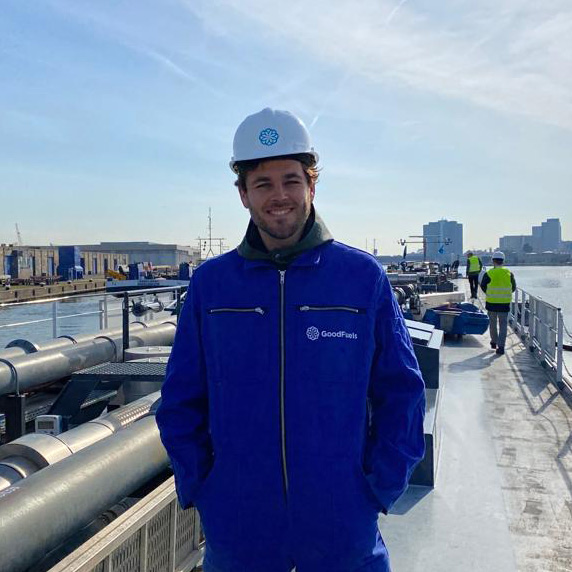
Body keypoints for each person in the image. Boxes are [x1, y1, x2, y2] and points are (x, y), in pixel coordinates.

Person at [156, 108, 426, 572]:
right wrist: (204, 487)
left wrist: (377, 488)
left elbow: (401, 392)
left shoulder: (362, 279)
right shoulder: (212, 286)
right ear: (243, 194)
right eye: (263, 184)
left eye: (291, 180)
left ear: (312, 185)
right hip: (239, 531)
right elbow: (181, 400)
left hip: (344, 529)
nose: (278, 196)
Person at [480, 251, 516, 355]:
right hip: (504, 304)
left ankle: (494, 341)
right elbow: (513, 287)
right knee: (503, 324)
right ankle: (501, 346)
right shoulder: (509, 273)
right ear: (503, 261)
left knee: (492, 323)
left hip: (491, 303)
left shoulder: (489, 273)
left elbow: (483, 285)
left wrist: (490, 293)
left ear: (493, 261)